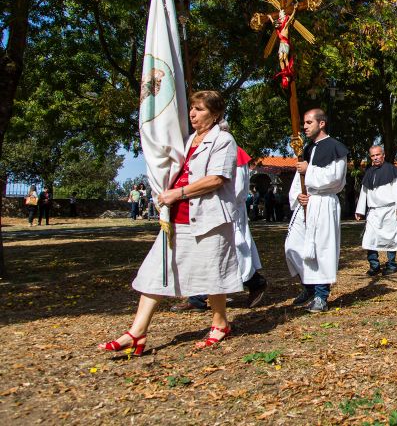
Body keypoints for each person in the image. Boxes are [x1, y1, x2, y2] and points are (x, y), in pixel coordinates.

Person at [98, 90, 243, 355]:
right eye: (192, 108)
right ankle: (137, 332)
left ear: (215, 114)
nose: (192, 114)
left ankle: (220, 323)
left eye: (199, 109)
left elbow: (217, 179)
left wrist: (179, 193)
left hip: (209, 218)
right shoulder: (188, 141)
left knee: (213, 273)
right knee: (155, 271)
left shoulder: (224, 140)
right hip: (176, 218)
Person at [176, 143, 269, 311]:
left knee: (232, 252)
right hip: (208, 210)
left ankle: (255, 282)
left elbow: (239, 189)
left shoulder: (234, 152)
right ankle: (197, 297)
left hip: (228, 210)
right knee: (205, 253)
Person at [285, 109, 348, 312]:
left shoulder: (336, 147)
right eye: (304, 122)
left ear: (321, 124)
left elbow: (336, 178)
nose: (304, 127)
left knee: (322, 249)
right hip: (306, 203)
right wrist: (299, 195)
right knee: (292, 246)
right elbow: (299, 178)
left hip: (323, 202)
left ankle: (321, 295)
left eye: (309, 122)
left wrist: (309, 171)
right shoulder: (307, 148)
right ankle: (309, 286)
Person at [355, 145, 397, 276]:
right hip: (373, 212)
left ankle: (391, 264)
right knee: (370, 239)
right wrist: (360, 210)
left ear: (383, 155)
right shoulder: (369, 172)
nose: (375, 158)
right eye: (373, 155)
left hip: (390, 210)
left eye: (378, 155)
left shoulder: (392, 170)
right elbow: (364, 192)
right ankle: (374, 265)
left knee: (391, 239)